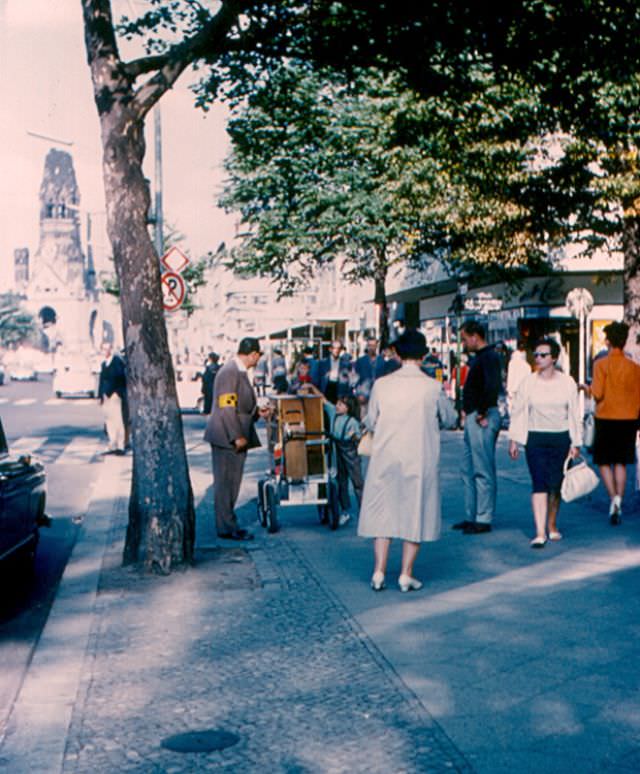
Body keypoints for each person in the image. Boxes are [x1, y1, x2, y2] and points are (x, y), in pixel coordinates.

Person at [357, 329, 452, 592]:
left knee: (383, 512)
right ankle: (405, 574)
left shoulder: (382, 385)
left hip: (386, 456)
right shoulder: (432, 388)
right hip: (419, 458)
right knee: (415, 511)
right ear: (424, 355)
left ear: (397, 354)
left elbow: (371, 420)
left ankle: (378, 571)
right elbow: (449, 418)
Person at [508, 337, 582, 547]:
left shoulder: (567, 382)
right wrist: (514, 440)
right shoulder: (528, 382)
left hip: (560, 437)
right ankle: (540, 532)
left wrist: (576, 442)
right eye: (536, 354)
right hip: (535, 438)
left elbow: (574, 414)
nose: (538, 358)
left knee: (555, 485)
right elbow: (519, 411)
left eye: (543, 355)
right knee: (539, 483)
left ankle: (552, 524)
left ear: (554, 358)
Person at [204, 337, 270, 541]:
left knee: (232, 483)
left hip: (233, 436)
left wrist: (258, 413)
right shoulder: (230, 372)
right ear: (252, 354)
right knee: (226, 484)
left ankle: (228, 523)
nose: (258, 360)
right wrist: (236, 436)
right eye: (258, 355)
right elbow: (227, 407)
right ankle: (226, 527)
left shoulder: (238, 371)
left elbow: (240, 405)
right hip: (228, 438)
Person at [585, 321, 640, 525]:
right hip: (628, 419)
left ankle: (613, 498)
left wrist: (587, 388)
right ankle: (620, 497)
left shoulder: (601, 365)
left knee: (604, 461)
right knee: (621, 461)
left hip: (606, 418)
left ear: (607, 341)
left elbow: (598, 393)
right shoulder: (635, 368)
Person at [454, 320, 503, 534]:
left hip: (481, 416)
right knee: (468, 468)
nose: (463, 343)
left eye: (465, 338)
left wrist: (482, 411)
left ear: (475, 336)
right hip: (475, 416)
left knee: (482, 469)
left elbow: (492, 385)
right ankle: (472, 514)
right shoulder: (482, 358)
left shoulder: (489, 357)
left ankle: (483, 517)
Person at [306, 385, 364, 526]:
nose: (337, 405)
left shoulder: (353, 422)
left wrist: (355, 437)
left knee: (357, 482)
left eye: (341, 404)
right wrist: (312, 387)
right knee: (341, 481)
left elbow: (359, 440)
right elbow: (323, 400)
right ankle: (345, 511)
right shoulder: (333, 413)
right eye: (337, 403)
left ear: (348, 407)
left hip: (350, 453)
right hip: (336, 451)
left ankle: (365, 511)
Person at [97, 341, 127, 455]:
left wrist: (117, 392)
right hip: (106, 396)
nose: (105, 351)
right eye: (103, 349)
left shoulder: (117, 362)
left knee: (118, 421)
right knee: (109, 421)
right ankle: (112, 444)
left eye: (107, 349)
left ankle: (120, 445)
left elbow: (120, 378)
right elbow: (101, 381)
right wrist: (100, 396)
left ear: (111, 349)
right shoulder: (104, 364)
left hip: (114, 395)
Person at [353, 337, 388, 414]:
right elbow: (355, 379)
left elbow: (385, 379)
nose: (372, 348)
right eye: (370, 345)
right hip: (364, 395)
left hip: (379, 395)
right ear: (367, 346)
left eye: (373, 345)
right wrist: (358, 394)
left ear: (376, 346)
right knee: (364, 420)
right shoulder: (360, 361)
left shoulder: (382, 361)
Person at [314, 339, 352, 404]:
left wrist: (346, 395)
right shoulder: (322, 363)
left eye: (338, 348)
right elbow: (317, 380)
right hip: (326, 391)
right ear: (330, 349)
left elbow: (349, 381)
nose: (336, 350)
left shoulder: (345, 364)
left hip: (339, 392)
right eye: (334, 348)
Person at [506, 339, 531, 413]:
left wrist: (509, 390)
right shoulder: (527, 366)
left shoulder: (511, 363)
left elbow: (510, 377)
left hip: (513, 390)